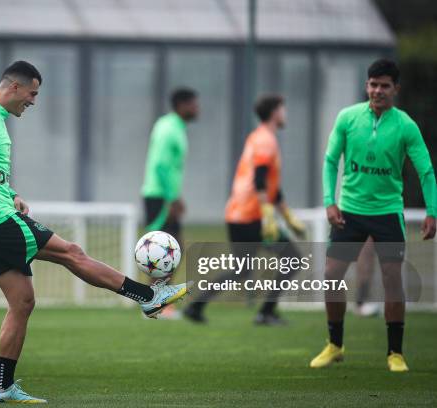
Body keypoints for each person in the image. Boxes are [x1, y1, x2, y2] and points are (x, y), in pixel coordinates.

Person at [0, 61, 191, 403]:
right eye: (33, 93)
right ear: (15, 87)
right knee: (72, 253)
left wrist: (11, 194)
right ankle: (148, 296)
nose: (33, 101)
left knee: (22, 302)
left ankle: (2, 386)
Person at [310, 59, 436, 372]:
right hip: (349, 211)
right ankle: (334, 345)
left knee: (393, 280)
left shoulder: (405, 125)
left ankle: (395, 353)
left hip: (387, 213)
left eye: (384, 86)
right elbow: (329, 162)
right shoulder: (348, 117)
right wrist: (329, 201)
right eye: (373, 84)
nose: (377, 90)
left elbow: (426, 171)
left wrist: (432, 211)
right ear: (367, 85)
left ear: (395, 89)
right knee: (331, 275)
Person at [183, 94, 306, 325]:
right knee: (292, 259)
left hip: (239, 215)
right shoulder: (266, 141)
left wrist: (287, 215)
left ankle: (195, 307)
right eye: (283, 109)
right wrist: (268, 214)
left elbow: (271, 186)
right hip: (251, 217)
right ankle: (266, 313)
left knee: (242, 271)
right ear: (274, 112)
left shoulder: (258, 137)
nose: (285, 113)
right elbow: (260, 180)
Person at [141, 88, 198, 319]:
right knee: (163, 251)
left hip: (163, 195)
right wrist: (172, 198)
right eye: (194, 104)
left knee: (171, 249)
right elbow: (161, 166)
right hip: (160, 196)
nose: (197, 108)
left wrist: (175, 195)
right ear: (182, 105)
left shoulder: (173, 126)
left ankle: (155, 301)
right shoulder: (169, 128)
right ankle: (155, 303)